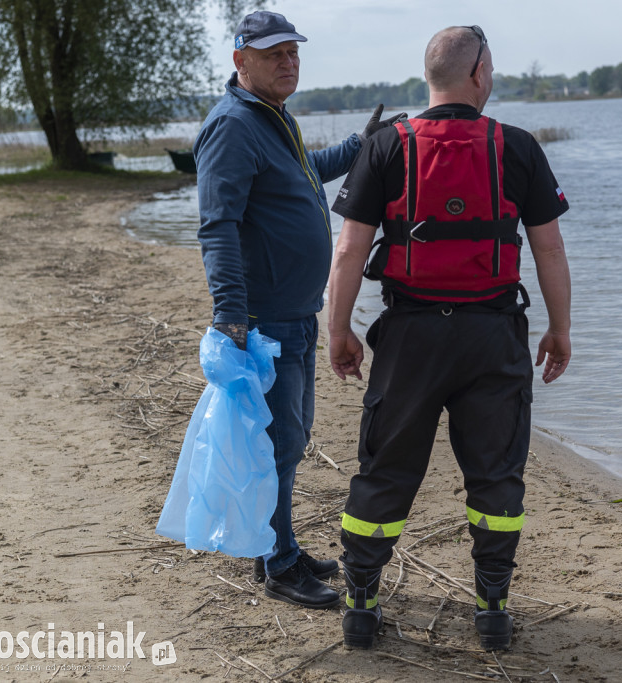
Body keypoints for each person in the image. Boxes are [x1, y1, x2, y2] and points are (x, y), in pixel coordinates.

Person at [327, 25, 572, 650]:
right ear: (480, 73)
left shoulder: (384, 146)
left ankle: (360, 602)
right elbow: (548, 249)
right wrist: (560, 329)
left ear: (431, 78)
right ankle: (492, 608)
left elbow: (350, 250)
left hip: (410, 337)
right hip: (493, 337)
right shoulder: (517, 147)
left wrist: (339, 331)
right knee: (495, 474)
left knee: (386, 469)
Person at [194, 10, 402, 610]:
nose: (287, 62)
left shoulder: (272, 116)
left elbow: (307, 173)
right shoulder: (233, 126)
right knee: (278, 443)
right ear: (241, 61)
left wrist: (362, 145)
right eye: (272, 54)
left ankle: (279, 545)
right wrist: (231, 315)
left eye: (292, 52)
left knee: (290, 437)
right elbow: (218, 227)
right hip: (262, 322)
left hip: (296, 315)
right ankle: (278, 565)